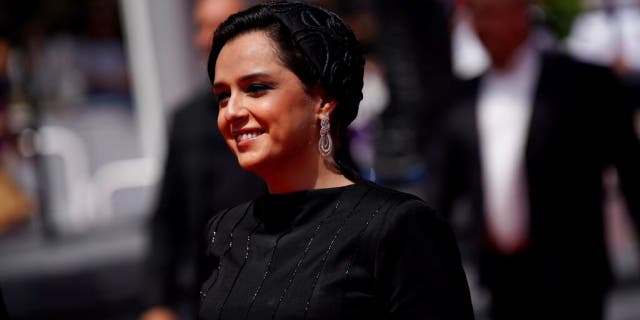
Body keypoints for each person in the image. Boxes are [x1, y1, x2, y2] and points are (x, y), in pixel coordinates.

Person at [198, 1, 474, 319]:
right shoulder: (224, 232)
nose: (231, 111)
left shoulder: (398, 227)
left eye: (256, 88)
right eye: (222, 96)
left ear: (323, 99)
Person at [425, 0, 640, 319]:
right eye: (477, 16)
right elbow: (442, 191)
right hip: (501, 280)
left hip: (575, 278)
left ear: (520, 13)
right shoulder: (459, 98)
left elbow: (631, 170)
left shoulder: (584, 83)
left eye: (493, 13)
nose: (485, 26)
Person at [141, 1, 265, 320]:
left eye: (219, 25)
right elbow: (167, 218)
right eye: (200, 26)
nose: (206, 38)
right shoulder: (187, 121)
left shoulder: (284, 108)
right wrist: (157, 302)